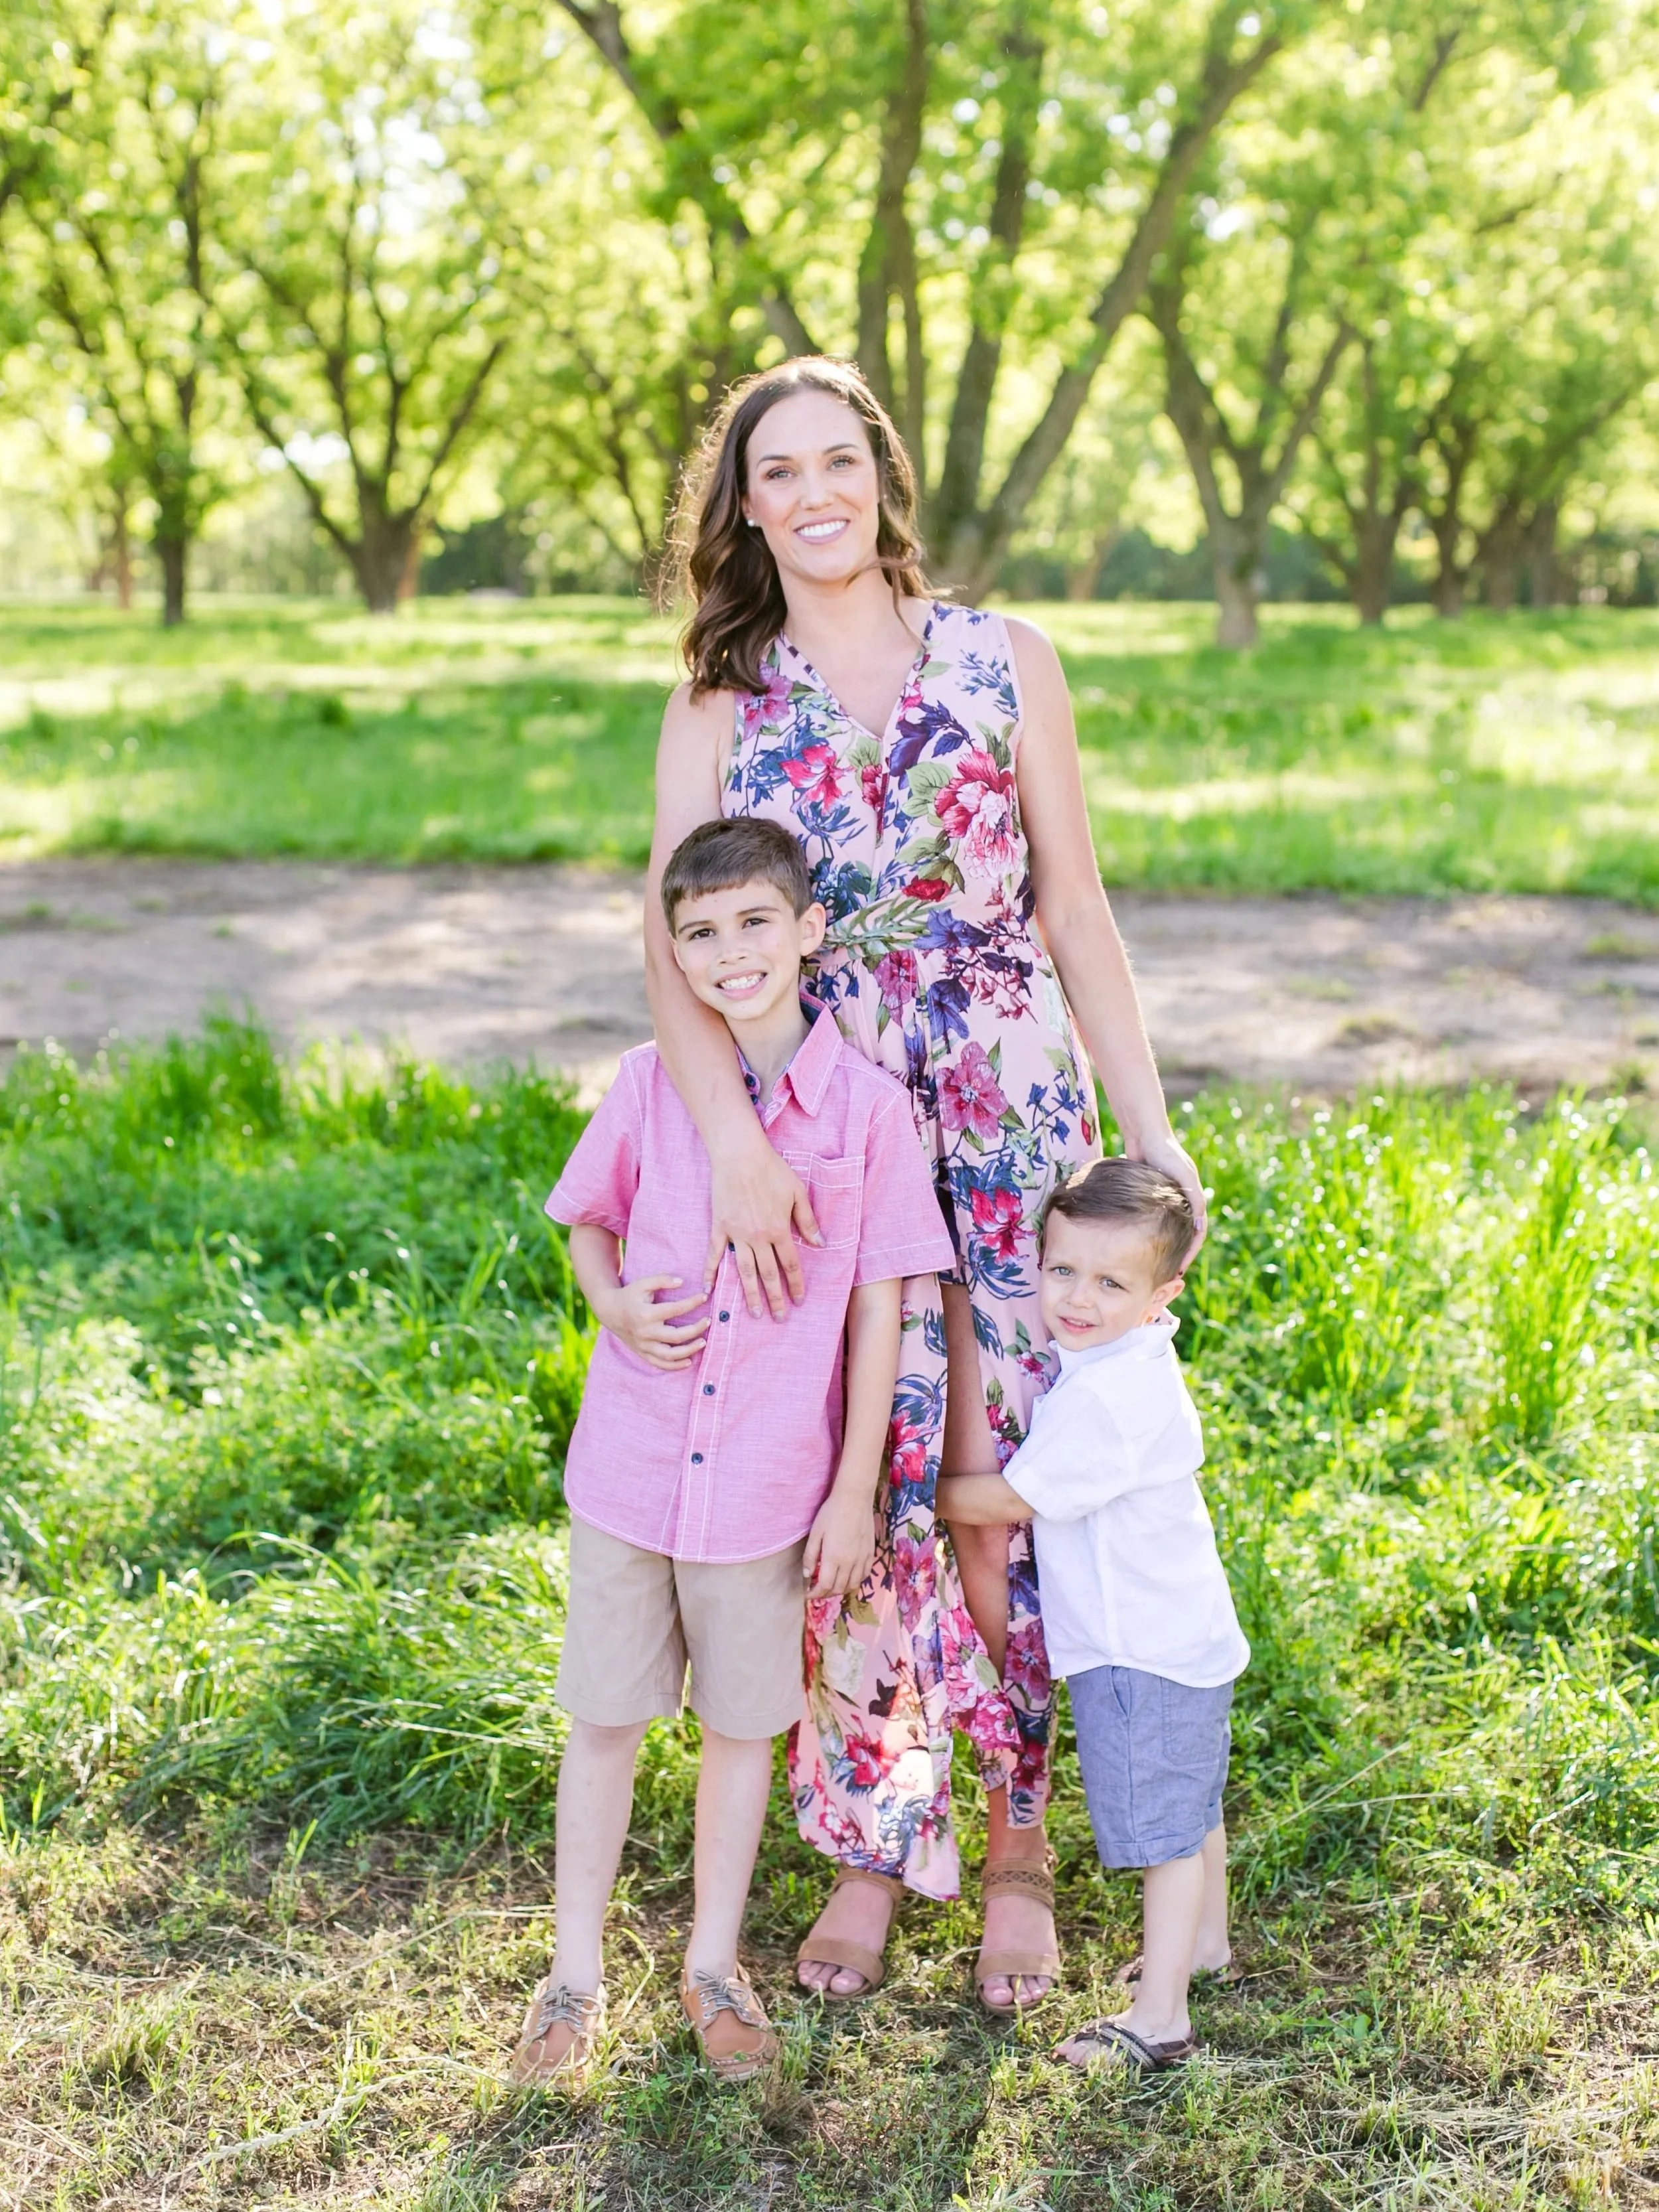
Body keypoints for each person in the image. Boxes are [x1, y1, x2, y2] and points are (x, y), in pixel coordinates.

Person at [646, 354, 1204, 2012]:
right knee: (854, 1473)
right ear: (742, 506)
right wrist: (737, 1146)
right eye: (777, 472)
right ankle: (874, 1840)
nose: (812, 494)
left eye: (839, 460)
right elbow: (669, 948)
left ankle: (1021, 1837)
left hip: (1010, 1089)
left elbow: (1074, 910)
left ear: (882, 475)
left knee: (1006, 1466)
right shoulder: (720, 697)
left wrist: (1148, 1129)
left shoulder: (1005, 657)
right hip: (819, 1114)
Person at [508, 816, 954, 2090]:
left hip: (768, 1488)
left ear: (811, 930)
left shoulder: (866, 1112)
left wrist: (856, 1487)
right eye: (698, 933)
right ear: (676, 953)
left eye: (755, 922)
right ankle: (572, 1979)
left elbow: (882, 1301)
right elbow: (587, 1221)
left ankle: (713, 1966)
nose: (728, 952)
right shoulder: (655, 1081)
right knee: (603, 1719)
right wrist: (607, 1299)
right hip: (630, 1473)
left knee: (741, 1732)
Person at [937, 1158, 1248, 2071]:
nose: (1077, 1298)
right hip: (1183, 1633)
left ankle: (1160, 2019)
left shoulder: (1108, 1400)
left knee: (1162, 1837)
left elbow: (1005, 1502)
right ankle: (1203, 1950)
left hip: (1138, 1649)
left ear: (1162, 1294)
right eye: (1063, 1269)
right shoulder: (1132, 1355)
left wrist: (907, 1488)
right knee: (1192, 1810)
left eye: (1111, 1282)